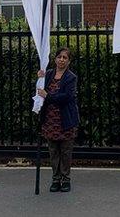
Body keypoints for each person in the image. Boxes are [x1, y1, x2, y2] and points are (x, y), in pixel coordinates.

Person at [37, 47, 79, 193]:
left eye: (65, 58)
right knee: (53, 151)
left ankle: (65, 179)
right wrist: (39, 79)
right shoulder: (48, 74)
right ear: (55, 59)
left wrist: (47, 96)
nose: (61, 60)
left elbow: (66, 97)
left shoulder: (71, 78)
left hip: (65, 120)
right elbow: (39, 91)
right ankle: (56, 179)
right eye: (59, 57)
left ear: (69, 61)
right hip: (50, 120)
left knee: (65, 152)